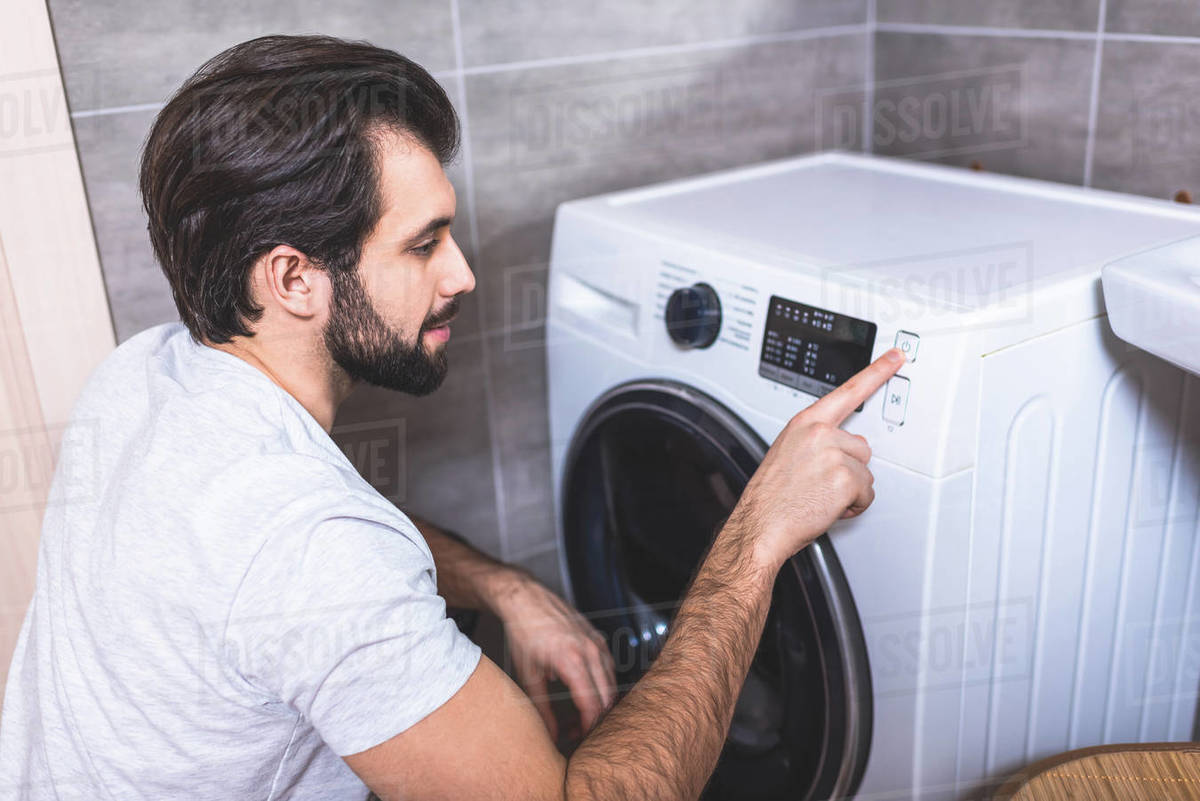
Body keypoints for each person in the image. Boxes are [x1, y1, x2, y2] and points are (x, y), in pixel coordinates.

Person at [0, 34, 903, 801]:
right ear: (292, 277)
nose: (462, 273)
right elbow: (308, 556)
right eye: (422, 243)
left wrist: (500, 585)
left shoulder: (144, 375)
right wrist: (757, 538)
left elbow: (298, 543)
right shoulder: (309, 553)